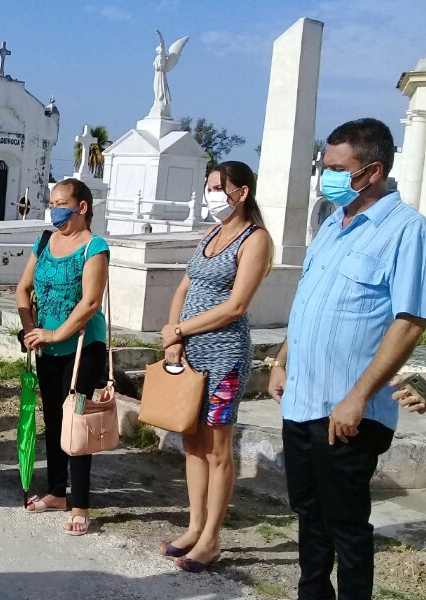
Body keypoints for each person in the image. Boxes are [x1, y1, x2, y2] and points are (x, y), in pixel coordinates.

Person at [267, 118, 426, 600]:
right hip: (302, 401)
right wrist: (283, 359)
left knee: (346, 526)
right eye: (325, 166)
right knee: (308, 515)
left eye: (338, 168)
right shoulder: (330, 226)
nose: (327, 177)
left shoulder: (406, 231)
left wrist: (357, 397)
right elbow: (309, 302)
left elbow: (409, 323)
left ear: (373, 169)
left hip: (348, 411)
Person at [158, 161, 272, 571]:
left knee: (218, 447)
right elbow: (185, 285)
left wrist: (181, 329)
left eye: (217, 187)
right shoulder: (211, 233)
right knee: (191, 442)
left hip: (224, 356)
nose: (211, 195)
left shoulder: (254, 239)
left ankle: (211, 538)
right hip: (189, 353)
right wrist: (173, 333)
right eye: (208, 187)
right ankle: (193, 526)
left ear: (240, 192)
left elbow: (236, 305)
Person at [16, 178, 110, 536]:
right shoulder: (43, 241)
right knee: (54, 419)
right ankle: (57, 491)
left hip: (83, 347)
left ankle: (81, 502)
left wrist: (56, 332)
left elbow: (91, 302)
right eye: (52, 202)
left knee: (77, 423)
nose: (54, 208)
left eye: (61, 202)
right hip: (46, 346)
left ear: (81, 207)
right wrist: (30, 328)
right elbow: (23, 289)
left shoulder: (94, 247)